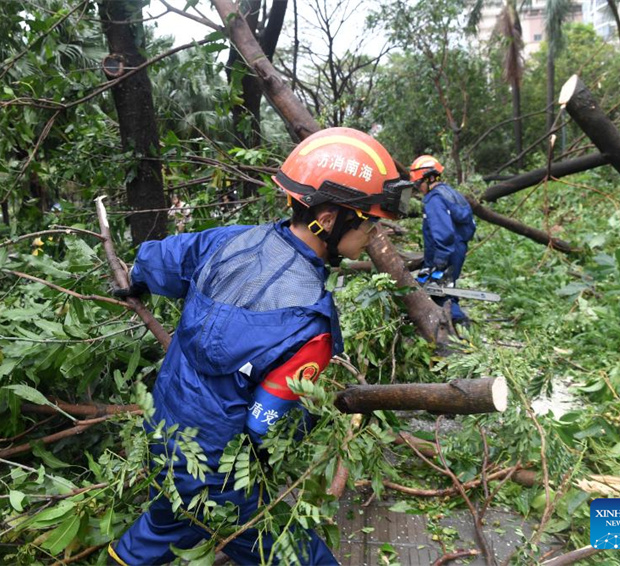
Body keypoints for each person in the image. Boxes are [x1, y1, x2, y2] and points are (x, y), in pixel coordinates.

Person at [109, 128, 413, 566]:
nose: (374, 234)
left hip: (162, 433)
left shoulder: (228, 241)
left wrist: (133, 278)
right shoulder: (312, 325)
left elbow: (156, 261)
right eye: (370, 221)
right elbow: (264, 426)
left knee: (162, 524)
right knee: (301, 558)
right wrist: (313, 418)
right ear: (329, 220)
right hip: (216, 476)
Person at [408, 155, 476, 325]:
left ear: (430, 178)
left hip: (445, 251)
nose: (419, 188)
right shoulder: (450, 193)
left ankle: (457, 320)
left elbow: (443, 231)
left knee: (438, 290)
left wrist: (440, 259)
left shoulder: (435, 200)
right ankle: (453, 317)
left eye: (419, 184)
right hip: (456, 249)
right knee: (445, 286)